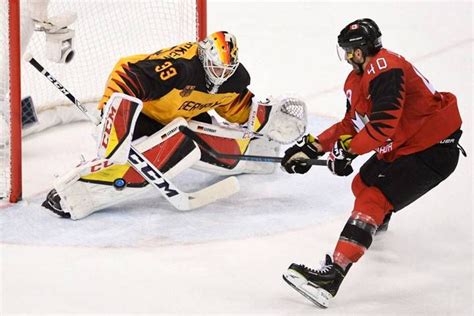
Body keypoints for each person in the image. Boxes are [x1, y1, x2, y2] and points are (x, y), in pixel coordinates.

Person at [280, 18, 465, 308]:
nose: (347, 57)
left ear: (362, 50)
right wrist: (311, 148)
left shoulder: (385, 67)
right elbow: (351, 124)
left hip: (433, 148)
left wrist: (348, 152)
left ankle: (332, 277)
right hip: (410, 145)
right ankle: (375, 221)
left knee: (373, 197)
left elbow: (382, 127)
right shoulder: (357, 80)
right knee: (362, 184)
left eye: (350, 51)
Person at [41, 31, 306, 219]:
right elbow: (127, 74)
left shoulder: (232, 79)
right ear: (204, 57)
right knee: (177, 144)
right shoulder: (181, 68)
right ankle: (78, 190)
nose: (220, 76)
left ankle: (258, 154)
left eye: (226, 70)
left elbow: (234, 107)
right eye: (215, 68)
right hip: (146, 111)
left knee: (193, 139)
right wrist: (112, 113)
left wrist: (267, 123)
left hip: (182, 113)